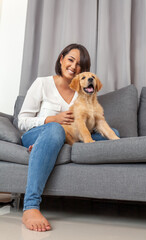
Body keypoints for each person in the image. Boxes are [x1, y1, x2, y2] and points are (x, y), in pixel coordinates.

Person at [18, 43, 120, 232]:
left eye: (80, 65)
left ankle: (45, 149)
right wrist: (51, 119)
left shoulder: (83, 89)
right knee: (55, 129)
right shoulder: (42, 83)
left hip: (69, 138)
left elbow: (89, 122)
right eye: (71, 60)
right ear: (61, 59)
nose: (74, 66)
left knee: (114, 133)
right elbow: (22, 121)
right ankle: (31, 206)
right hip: (38, 133)